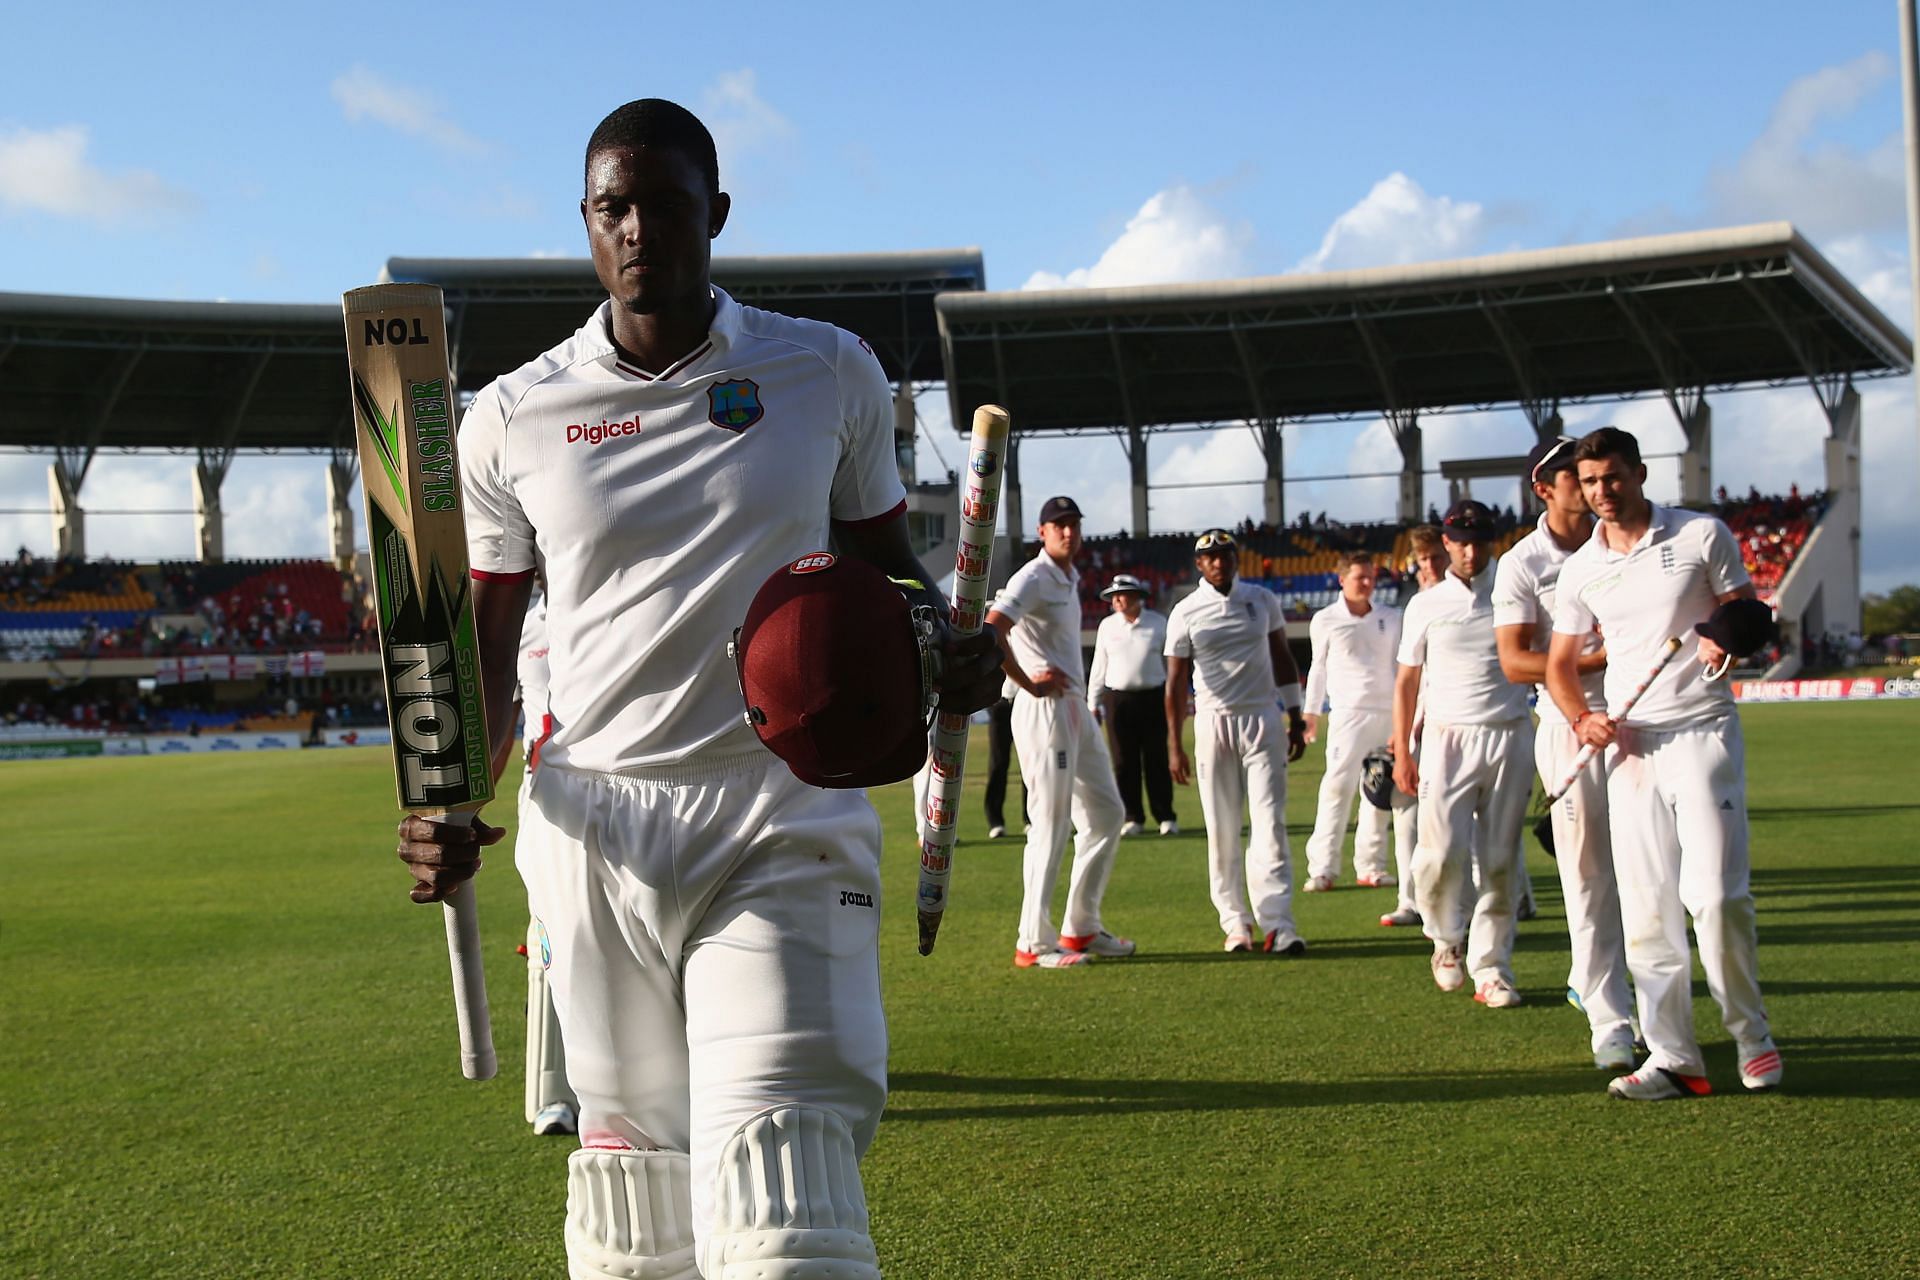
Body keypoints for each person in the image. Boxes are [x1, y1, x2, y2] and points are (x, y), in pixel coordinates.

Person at [394, 99, 1000, 1279]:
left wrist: (949, 645)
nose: (636, 231)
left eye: (663, 205)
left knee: (789, 1196)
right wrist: (453, 798)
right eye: (611, 208)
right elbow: (492, 642)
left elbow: (891, 576)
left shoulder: (825, 369)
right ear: (585, 224)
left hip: (778, 812)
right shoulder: (513, 414)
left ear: (714, 214)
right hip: (594, 834)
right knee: (636, 1212)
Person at [1548, 426, 1780, 1100]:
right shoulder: (1580, 568)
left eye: (1612, 477)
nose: (1602, 492)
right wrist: (1581, 717)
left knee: (1715, 897)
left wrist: (1725, 641)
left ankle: (1750, 1034)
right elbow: (1561, 664)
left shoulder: (1701, 535)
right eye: (1590, 482)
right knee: (1647, 909)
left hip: (1702, 731)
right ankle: (1675, 1058)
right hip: (1630, 749)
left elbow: (1744, 612)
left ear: (1640, 473)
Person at [1493, 436, 1636, 1071]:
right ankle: (1611, 1018)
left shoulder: (1631, 538)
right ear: (1545, 488)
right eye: (1571, 477)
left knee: (1649, 869)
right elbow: (1515, 660)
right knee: (1585, 872)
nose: (1586, 484)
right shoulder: (1523, 562)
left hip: (1642, 719)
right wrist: (1592, 661)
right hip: (1568, 724)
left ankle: (1611, 984)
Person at [1391, 500, 1533, 1008]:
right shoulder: (1425, 604)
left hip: (1508, 733)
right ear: (1446, 543)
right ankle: (1445, 938)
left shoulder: (1515, 588)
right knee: (1437, 855)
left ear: (1493, 542)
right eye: (1460, 541)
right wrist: (1404, 749)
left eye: (1480, 541)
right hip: (1446, 739)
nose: (1470, 551)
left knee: (1499, 861)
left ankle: (1492, 969)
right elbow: (1407, 680)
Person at [986, 495, 1136, 968]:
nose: (1068, 532)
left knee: (1109, 813)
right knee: (1049, 825)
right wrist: (1027, 681)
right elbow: (992, 629)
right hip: (1043, 708)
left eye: (1073, 524)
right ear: (1042, 531)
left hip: (1073, 707)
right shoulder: (1033, 575)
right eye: (1059, 525)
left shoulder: (1068, 577)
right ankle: (1032, 942)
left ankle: (1080, 927)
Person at [1165, 527, 1309, 954]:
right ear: (1199, 564)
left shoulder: (1261, 600)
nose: (1219, 562)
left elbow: (1282, 656)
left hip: (1262, 718)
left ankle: (1278, 923)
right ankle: (1235, 921)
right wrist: (1175, 744)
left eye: (1226, 555)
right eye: (1210, 557)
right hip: (1214, 723)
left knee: (1269, 823)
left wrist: (1296, 716)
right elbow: (1174, 683)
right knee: (1223, 828)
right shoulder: (1186, 610)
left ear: (1236, 559)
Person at [506, 585, 581, 1135]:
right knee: (548, 941)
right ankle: (552, 1093)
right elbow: (499, 711)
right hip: (546, 795)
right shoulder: (521, 624)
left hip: (632, 788)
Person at [1301, 550, 1410, 894]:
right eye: (1359, 577)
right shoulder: (1326, 619)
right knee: (1337, 789)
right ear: (1341, 579)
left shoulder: (1392, 617)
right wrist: (1311, 714)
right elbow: (1317, 668)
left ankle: (1372, 866)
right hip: (1348, 714)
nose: (1366, 584)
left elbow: (1401, 667)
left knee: (1379, 792)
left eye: (1371, 577)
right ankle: (1323, 868)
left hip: (1388, 713)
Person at [1088, 572, 1178, 836]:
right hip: (1118, 700)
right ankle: (1132, 817)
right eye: (1113, 596)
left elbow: (1171, 666)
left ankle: (1165, 816)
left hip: (1153, 697)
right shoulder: (1107, 626)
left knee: (1156, 759)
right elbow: (1099, 666)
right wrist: (1093, 702)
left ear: (1138, 597)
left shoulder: (1159, 623)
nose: (1117, 600)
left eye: (1122, 595)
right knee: (1123, 761)